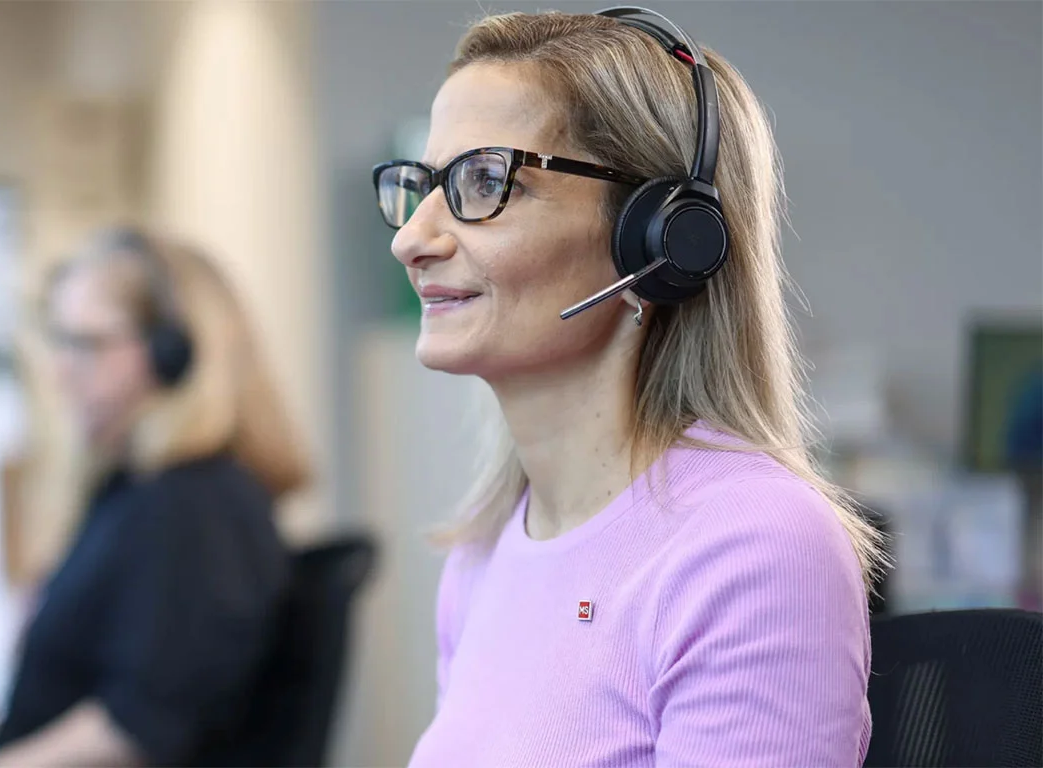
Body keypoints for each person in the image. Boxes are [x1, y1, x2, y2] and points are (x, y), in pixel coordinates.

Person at [374, 7, 886, 766]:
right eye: (422, 183)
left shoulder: (751, 547)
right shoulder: (482, 559)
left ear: (657, 237)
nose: (411, 238)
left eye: (484, 180)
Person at [0, 227, 311, 767]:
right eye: (59, 341)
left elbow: (139, 728)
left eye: (86, 344)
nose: (60, 371)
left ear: (173, 355)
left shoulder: (195, 505)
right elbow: (77, 703)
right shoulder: (135, 493)